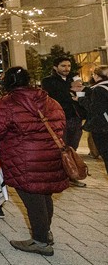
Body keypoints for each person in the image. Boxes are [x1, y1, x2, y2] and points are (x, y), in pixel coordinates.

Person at [0, 67, 68, 256]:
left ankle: (40, 241)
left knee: (33, 198)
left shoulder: (7, 102)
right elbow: (61, 122)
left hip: (23, 157)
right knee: (44, 194)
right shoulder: (48, 99)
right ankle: (45, 233)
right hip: (50, 154)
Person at [41, 56, 86, 187]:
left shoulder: (74, 78)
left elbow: (84, 93)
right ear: (55, 67)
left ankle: (72, 174)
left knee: (73, 146)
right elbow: (55, 96)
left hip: (75, 117)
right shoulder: (48, 81)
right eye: (63, 66)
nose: (67, 69)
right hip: (59, 118)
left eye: (68, 66)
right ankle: (61, 175)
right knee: (61, 147)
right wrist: (71, 88)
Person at [79, 66, 108, 175]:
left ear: (96, 76)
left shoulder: (99, 89)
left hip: (103, 128)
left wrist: (80, 99)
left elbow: (96, 109)